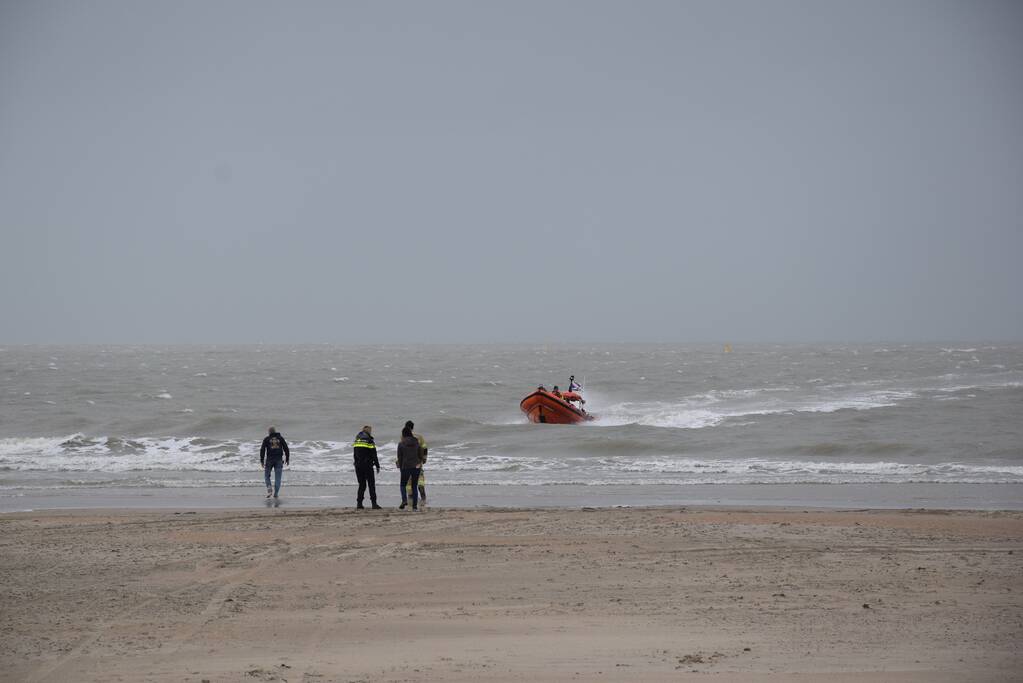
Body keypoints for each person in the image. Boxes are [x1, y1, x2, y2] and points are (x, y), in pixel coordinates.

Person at [395, 422, 424, 510]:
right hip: (416, 466)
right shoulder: (417, 442)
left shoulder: (401, 443)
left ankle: (404, 500)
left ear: (403, 434)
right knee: (414, 486)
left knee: (403, 485)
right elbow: (420, 454)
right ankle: (414, 506)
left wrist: (400, 467)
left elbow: (400, 457)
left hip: (405, 466)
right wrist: (420, 462)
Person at [352, 425, 382, 509]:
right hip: (367, 465)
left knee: (362, 485)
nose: (371, 432)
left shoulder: (357, 439)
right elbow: (374, 454)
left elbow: (355, 454)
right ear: (368, 431)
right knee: (371, 484)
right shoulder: (369, 440)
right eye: (370, 430)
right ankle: (374, 504)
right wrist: (377, 465)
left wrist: (356, 463)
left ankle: (359, 503)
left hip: (358, 465)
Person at [260, 426, 290, 499]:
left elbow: (262, 450)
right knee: (278, 478)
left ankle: (269, 488)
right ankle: (276, 494)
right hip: (279, 460)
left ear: (269, 432)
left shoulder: (266, 439)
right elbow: (286, 448)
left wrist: (262, 460)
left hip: (269, 460)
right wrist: (287, 458)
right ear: (275, 431)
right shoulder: (280, 438)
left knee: (267, 476)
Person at [402, 420, 428, 506]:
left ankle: (411, 498)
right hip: (417, 462)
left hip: (406, 463)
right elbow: (424, 448)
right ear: (412, 428)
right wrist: (424, 458)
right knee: (420, 478)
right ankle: (423, 498)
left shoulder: (403, 437)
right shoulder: (419, 437)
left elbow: (401, 450)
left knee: (409, 482)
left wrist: (399, 461)